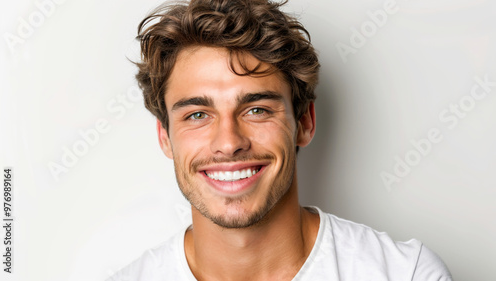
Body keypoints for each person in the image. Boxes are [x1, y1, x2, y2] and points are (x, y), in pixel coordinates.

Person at [108, 0, 453, 280]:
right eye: (197, 115)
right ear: (165, 137)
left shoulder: (405, 273)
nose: (229, 143)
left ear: (304, 122)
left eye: (256, 110)